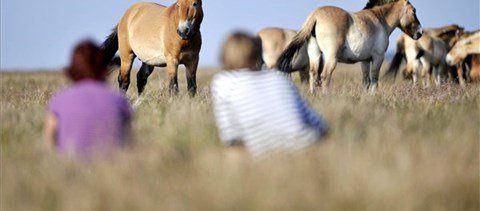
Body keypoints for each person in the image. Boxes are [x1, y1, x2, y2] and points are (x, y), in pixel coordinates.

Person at [211, 32, 328, 158]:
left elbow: (231, 139)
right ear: (256, 53)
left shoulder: (222, 82)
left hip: (266, 153)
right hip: (307, 146)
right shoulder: (278, 77)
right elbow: (319, 124)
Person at [44, 40, 133, 160]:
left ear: (74, 67)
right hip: (109, 168)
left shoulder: (58, 100)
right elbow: (128, 143)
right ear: (103, 67)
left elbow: (49, 144)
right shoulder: (120, 101)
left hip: (69, 166)